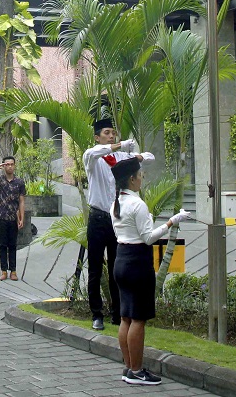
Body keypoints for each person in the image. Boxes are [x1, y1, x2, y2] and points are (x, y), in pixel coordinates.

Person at [110, 155, 190, 386]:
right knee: (138, 319)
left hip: (121, 259)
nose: (142, 178)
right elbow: (147, 238)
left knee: (126, 317)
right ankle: (136, 370)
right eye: (140, 175)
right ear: (133, 179)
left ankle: (128, 367)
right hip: (137, 262)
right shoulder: (137, 204)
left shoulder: (116, 202)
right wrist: (172, 221)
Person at [83, 117, 153, 331]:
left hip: (116, 218)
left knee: (116, 266)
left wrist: (135, 155)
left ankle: (118, 313)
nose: (111, 136)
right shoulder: (92, 157)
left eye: (113, 132)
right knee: (95, 268)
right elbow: (94, 153)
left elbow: (149, 157)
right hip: (97, 218)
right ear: (97, 137)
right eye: (106, 133)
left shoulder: (122, 157)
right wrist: (118, 146)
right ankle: (97, 314)